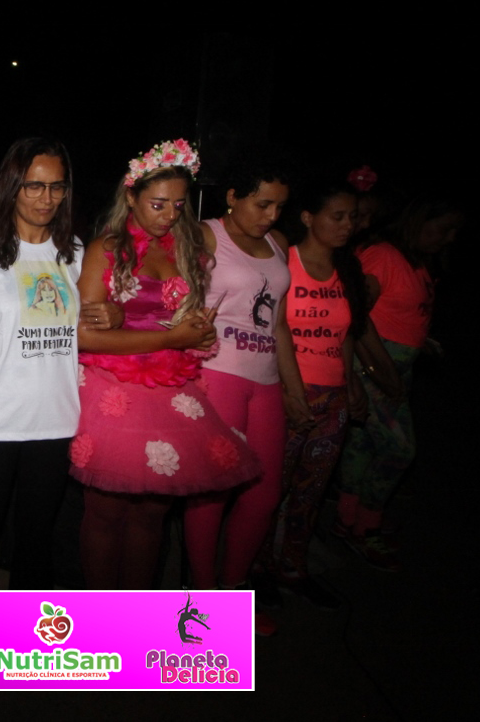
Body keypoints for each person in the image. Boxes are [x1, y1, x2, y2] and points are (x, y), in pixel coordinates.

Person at [72, 140, 260, 590]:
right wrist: (172, 338)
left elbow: (185, 323)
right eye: (157, 204)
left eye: (178, 205)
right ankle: (100, 615)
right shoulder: (106, 249)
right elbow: (84, 335)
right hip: (112, 387)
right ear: (131, 197)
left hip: (170, 389)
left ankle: (140, 613)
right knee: (106, 512)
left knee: (152, 514)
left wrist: (197, 334)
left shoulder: (187, 251)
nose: (169, 215)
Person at [0, 137, 119, 590]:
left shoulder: (73, 251)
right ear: (12, 186)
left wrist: (114, 314)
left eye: (57, 187)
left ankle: (24, 630)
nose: (46, 198)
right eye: (34, 186)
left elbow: (92, 325)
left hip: (55, 422)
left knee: (37, 543)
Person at [183, 158, 309, 618]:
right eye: (262, 204)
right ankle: (201, 596)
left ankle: (234, 583)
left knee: (265, 494)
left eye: (279, 206)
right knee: (212, 491)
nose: (271, 215)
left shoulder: (279, 243)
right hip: (218, 373)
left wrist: (294, 388)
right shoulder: (205, 234)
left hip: (267, 379)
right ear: (233, 197)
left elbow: (280, 325)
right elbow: (175, 300)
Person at [335, 194, 462, 571]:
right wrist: (379, 371)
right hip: (373, 370)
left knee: (361, 446)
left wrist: (420, 341)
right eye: (444, 228)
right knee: (399, 450)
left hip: (395, 368)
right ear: (420, 220)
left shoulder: (416, 260)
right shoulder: (383, 255)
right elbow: (356, 316)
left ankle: (347, 520)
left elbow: (400, 312)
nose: (450, 238)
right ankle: (366, 526)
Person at [260, 182, 370, 609]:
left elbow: (347, 334)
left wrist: (352, 382)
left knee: (311, 492)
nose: (347, 225)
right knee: (271, 490)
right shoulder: (283, 262)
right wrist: (290, 391)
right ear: (307, 217)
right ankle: (256, 569)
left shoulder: (348, 269)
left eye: (352, 217)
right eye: (337, 216)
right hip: (289, 393)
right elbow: (273, 330)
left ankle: (293, 568)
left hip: (333, 399)